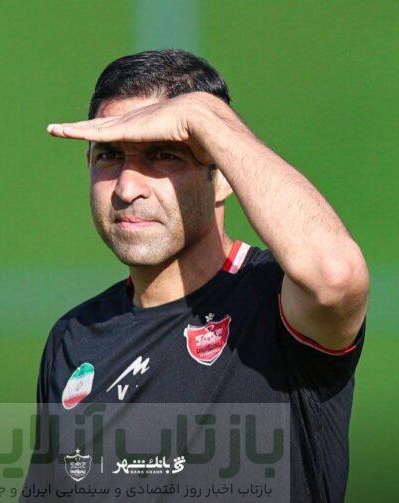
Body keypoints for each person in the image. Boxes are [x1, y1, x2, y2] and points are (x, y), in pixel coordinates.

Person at [25, 49, 369, 502]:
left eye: (164, 155)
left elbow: (335, 276)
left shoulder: (275, 298)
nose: (127, 188)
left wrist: (204, 116)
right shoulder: (75, 338)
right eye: (109, 155)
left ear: (223, 176)